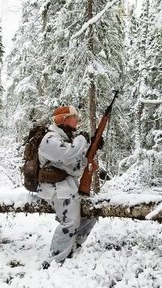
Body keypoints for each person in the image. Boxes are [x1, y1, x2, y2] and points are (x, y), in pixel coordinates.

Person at [36, 105, 98, 269]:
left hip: (66, 187)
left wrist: (92, 150)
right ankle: (55, 260)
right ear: (63, 119)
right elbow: (67, 154)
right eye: (74, 117)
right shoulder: (50, 139)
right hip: (54, 188)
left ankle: (71, 247)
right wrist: (82, 140)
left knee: (91, 213)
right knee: (70, 222)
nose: (77, 120)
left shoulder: (65, 141)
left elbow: (75, 167)